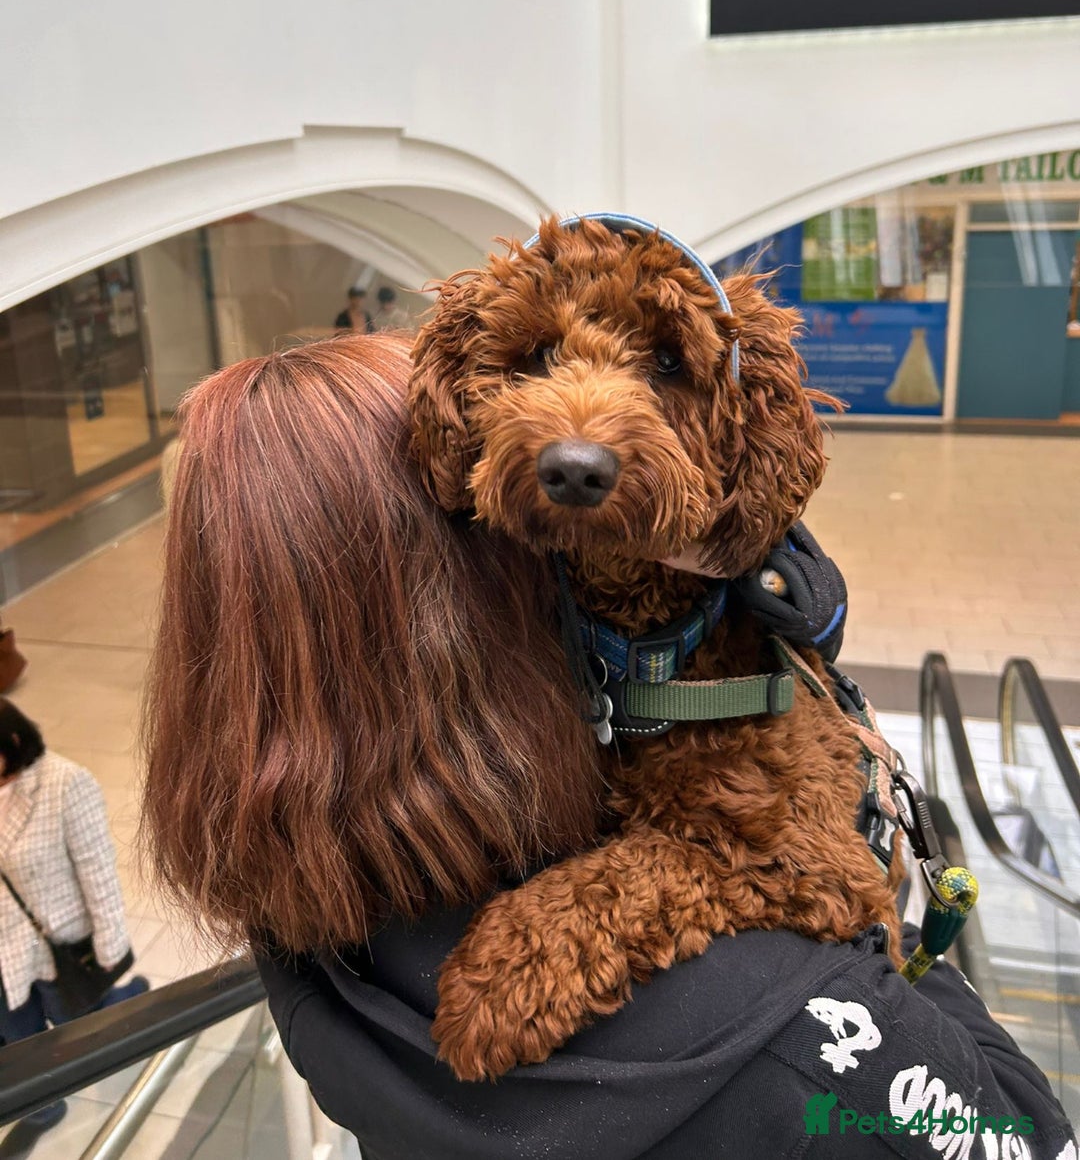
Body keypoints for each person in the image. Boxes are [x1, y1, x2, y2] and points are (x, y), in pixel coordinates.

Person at [142, 335, 1075, 1160]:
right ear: (473, 606)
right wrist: (897, 949)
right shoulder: (797, 1025)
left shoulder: (309, 939)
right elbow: (1023, 1129)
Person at [0, 701, 148, 1130]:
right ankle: (40, 1105)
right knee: (17, 1039)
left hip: (53, 946)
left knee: (80, 1024)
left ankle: (129, 999)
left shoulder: (64, 783)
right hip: (4, 956)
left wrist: (110, 946)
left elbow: (98, 869)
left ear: (12, 741)